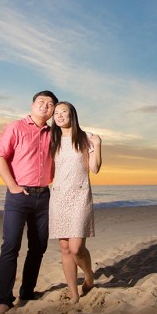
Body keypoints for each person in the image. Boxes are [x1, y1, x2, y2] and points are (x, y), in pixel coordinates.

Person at [0, 90, 58, 314]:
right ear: (32, 105)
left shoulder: (54, 134)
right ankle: (4, 299)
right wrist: (12, 186)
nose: (45, 106)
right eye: (41, 102)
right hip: (19, 196)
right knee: (11, 246)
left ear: (53, 110)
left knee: (38, 247)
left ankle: (27, 291)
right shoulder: (15, 127)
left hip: (44, 197)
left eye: (50, 104)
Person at [48, 101, 102, 303]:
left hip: (80, 195)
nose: (59, 115)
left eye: (64, 111)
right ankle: (73, 293)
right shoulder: (52, 139)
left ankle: (88, 276)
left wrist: (97, 146)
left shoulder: (85, 138)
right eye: (56, 113)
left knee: (77, 248)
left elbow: (95, 169)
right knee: (64, 248)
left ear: (72, 115)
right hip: (59, 196)